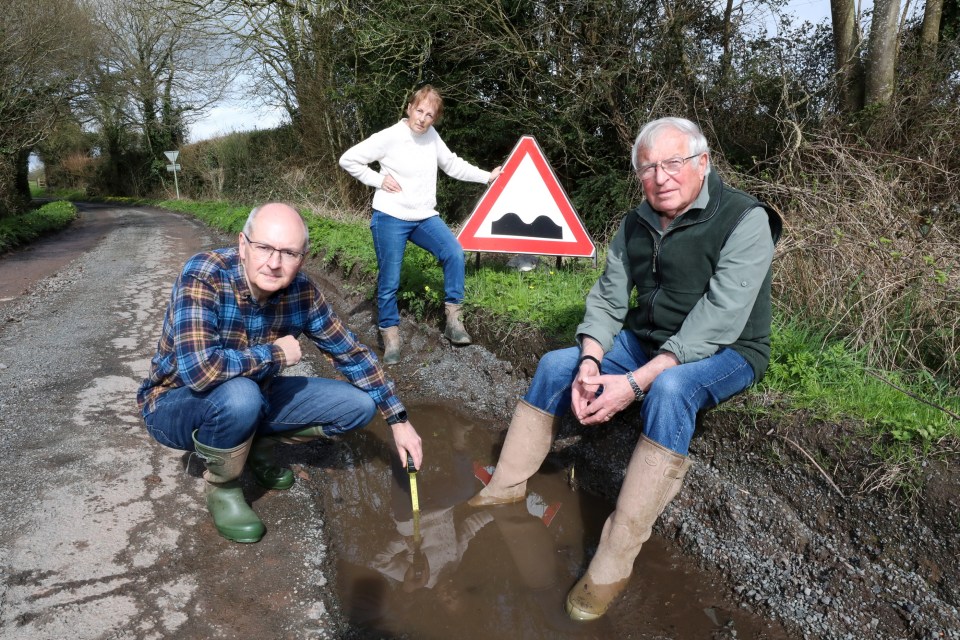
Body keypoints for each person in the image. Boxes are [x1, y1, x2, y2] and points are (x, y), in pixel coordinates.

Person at [468, 117, 782, 621]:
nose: (661, 176)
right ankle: (506, 484)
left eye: (673, 163)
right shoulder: (635, 222)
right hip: (647, 340)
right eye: (648, 167)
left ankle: (616, 556)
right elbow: (610, 299)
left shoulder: (746, 219)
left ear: (702, 163)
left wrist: (634, 384)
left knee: (673, 389)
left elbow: (720, 316)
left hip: (729, 349)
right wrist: (591, 359)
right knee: (555, 365)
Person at [137, 203, 423, 544]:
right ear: (243, 246)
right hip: (175, 404)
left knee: (358, 406)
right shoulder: (204, 274)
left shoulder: (302, 292)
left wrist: (398, 419)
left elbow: (352, 354)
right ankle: (223, 486)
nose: (274, 263)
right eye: (264, 248)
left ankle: (255, 445)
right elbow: (199, 371)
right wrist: (275, 353)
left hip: (254, 393)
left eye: (288, 253)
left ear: (302, 258)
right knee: (241, 396)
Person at [338, 84, 501, 364]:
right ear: (409, 108)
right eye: (419, 110)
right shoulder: (389, 136)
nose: (423, 118)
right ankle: (390, 336)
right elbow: (348, 159)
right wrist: (378, 180)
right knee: (390, 280)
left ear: (435, 118)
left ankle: (453, 321)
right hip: (390, 216)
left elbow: (452, 164)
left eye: (430, 114)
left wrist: (487, 176)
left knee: (453, 252)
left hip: (424, 216)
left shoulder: (432, 136)